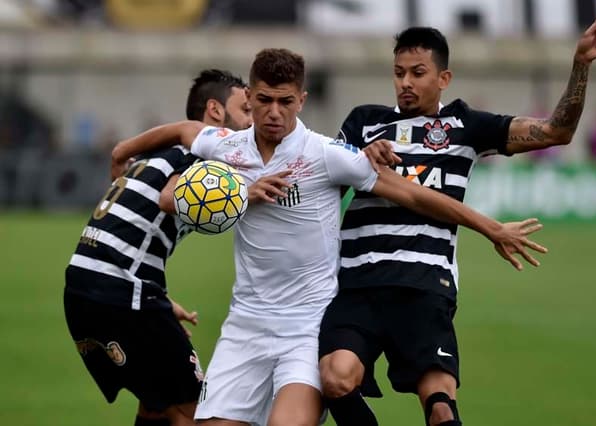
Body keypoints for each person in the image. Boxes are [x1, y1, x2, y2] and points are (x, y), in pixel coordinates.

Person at [111, 48, 547, 426]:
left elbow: (412, 194)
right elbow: (179, 163)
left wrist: (489, 227)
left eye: (285, 101)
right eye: (263, 100)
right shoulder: (229, 149)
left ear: (301, 99)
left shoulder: (325, 154)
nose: (274, 112)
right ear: (249, 98)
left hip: (307, 325)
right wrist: (126, 151)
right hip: (245, 324)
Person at [317, 13, 596, 426]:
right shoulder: (364, 121)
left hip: (425, 286)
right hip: (358, 284)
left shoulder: (465, 125)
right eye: (399, 72)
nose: (405, 82)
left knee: (440, 408)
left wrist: (580, 64)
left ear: (444, 78)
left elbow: (555, 132)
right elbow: (327, 172)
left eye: (418, 73)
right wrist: (360, 157)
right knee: (335, 380)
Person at [64, 69, 252, 426]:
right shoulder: (211, 150)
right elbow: (170, 198)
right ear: (215, 111)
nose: (252, 121)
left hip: (83, 288)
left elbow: (136, 227)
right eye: (246, 110)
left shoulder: (165, 154)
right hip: (122, 292)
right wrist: (247, 195)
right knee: (193, 410)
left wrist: (160, 302)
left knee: (156, 405)